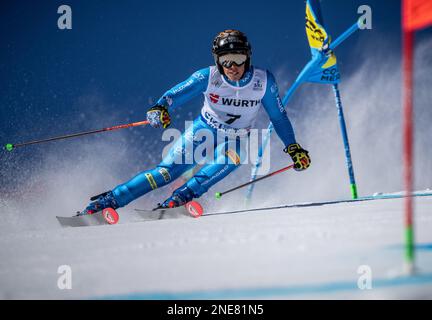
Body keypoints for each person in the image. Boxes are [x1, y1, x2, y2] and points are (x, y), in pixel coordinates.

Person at [77, 29, 310, 215]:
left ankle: (181, 198)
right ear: (218, 61)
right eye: (226, 61)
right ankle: (109, 201)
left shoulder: (264, 81)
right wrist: (159, 109)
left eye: (238, 59)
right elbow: (172, 96)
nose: (233, 67)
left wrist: (293, 147)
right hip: (204, 130)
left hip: (237, 138)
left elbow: (278, 116)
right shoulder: (208, 77)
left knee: (236, 156)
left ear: (248, 57)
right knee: (165, 173)